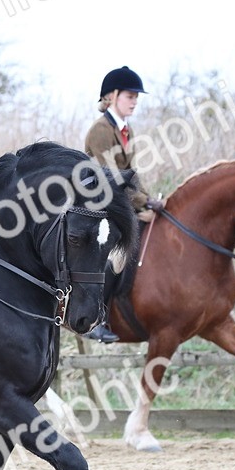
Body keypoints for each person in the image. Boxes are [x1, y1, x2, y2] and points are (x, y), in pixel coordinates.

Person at [82, 65, 163, 343]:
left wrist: (149, 201)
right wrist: (142, 201)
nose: (135, 101)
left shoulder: (126, 129)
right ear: (113, 96)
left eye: (136, 97)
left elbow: (131, 174)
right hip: (98, 203)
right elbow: (111, 177)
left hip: (119, 202)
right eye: (130, 96)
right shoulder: (100, 130)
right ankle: (96, 320)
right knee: (115, 251)